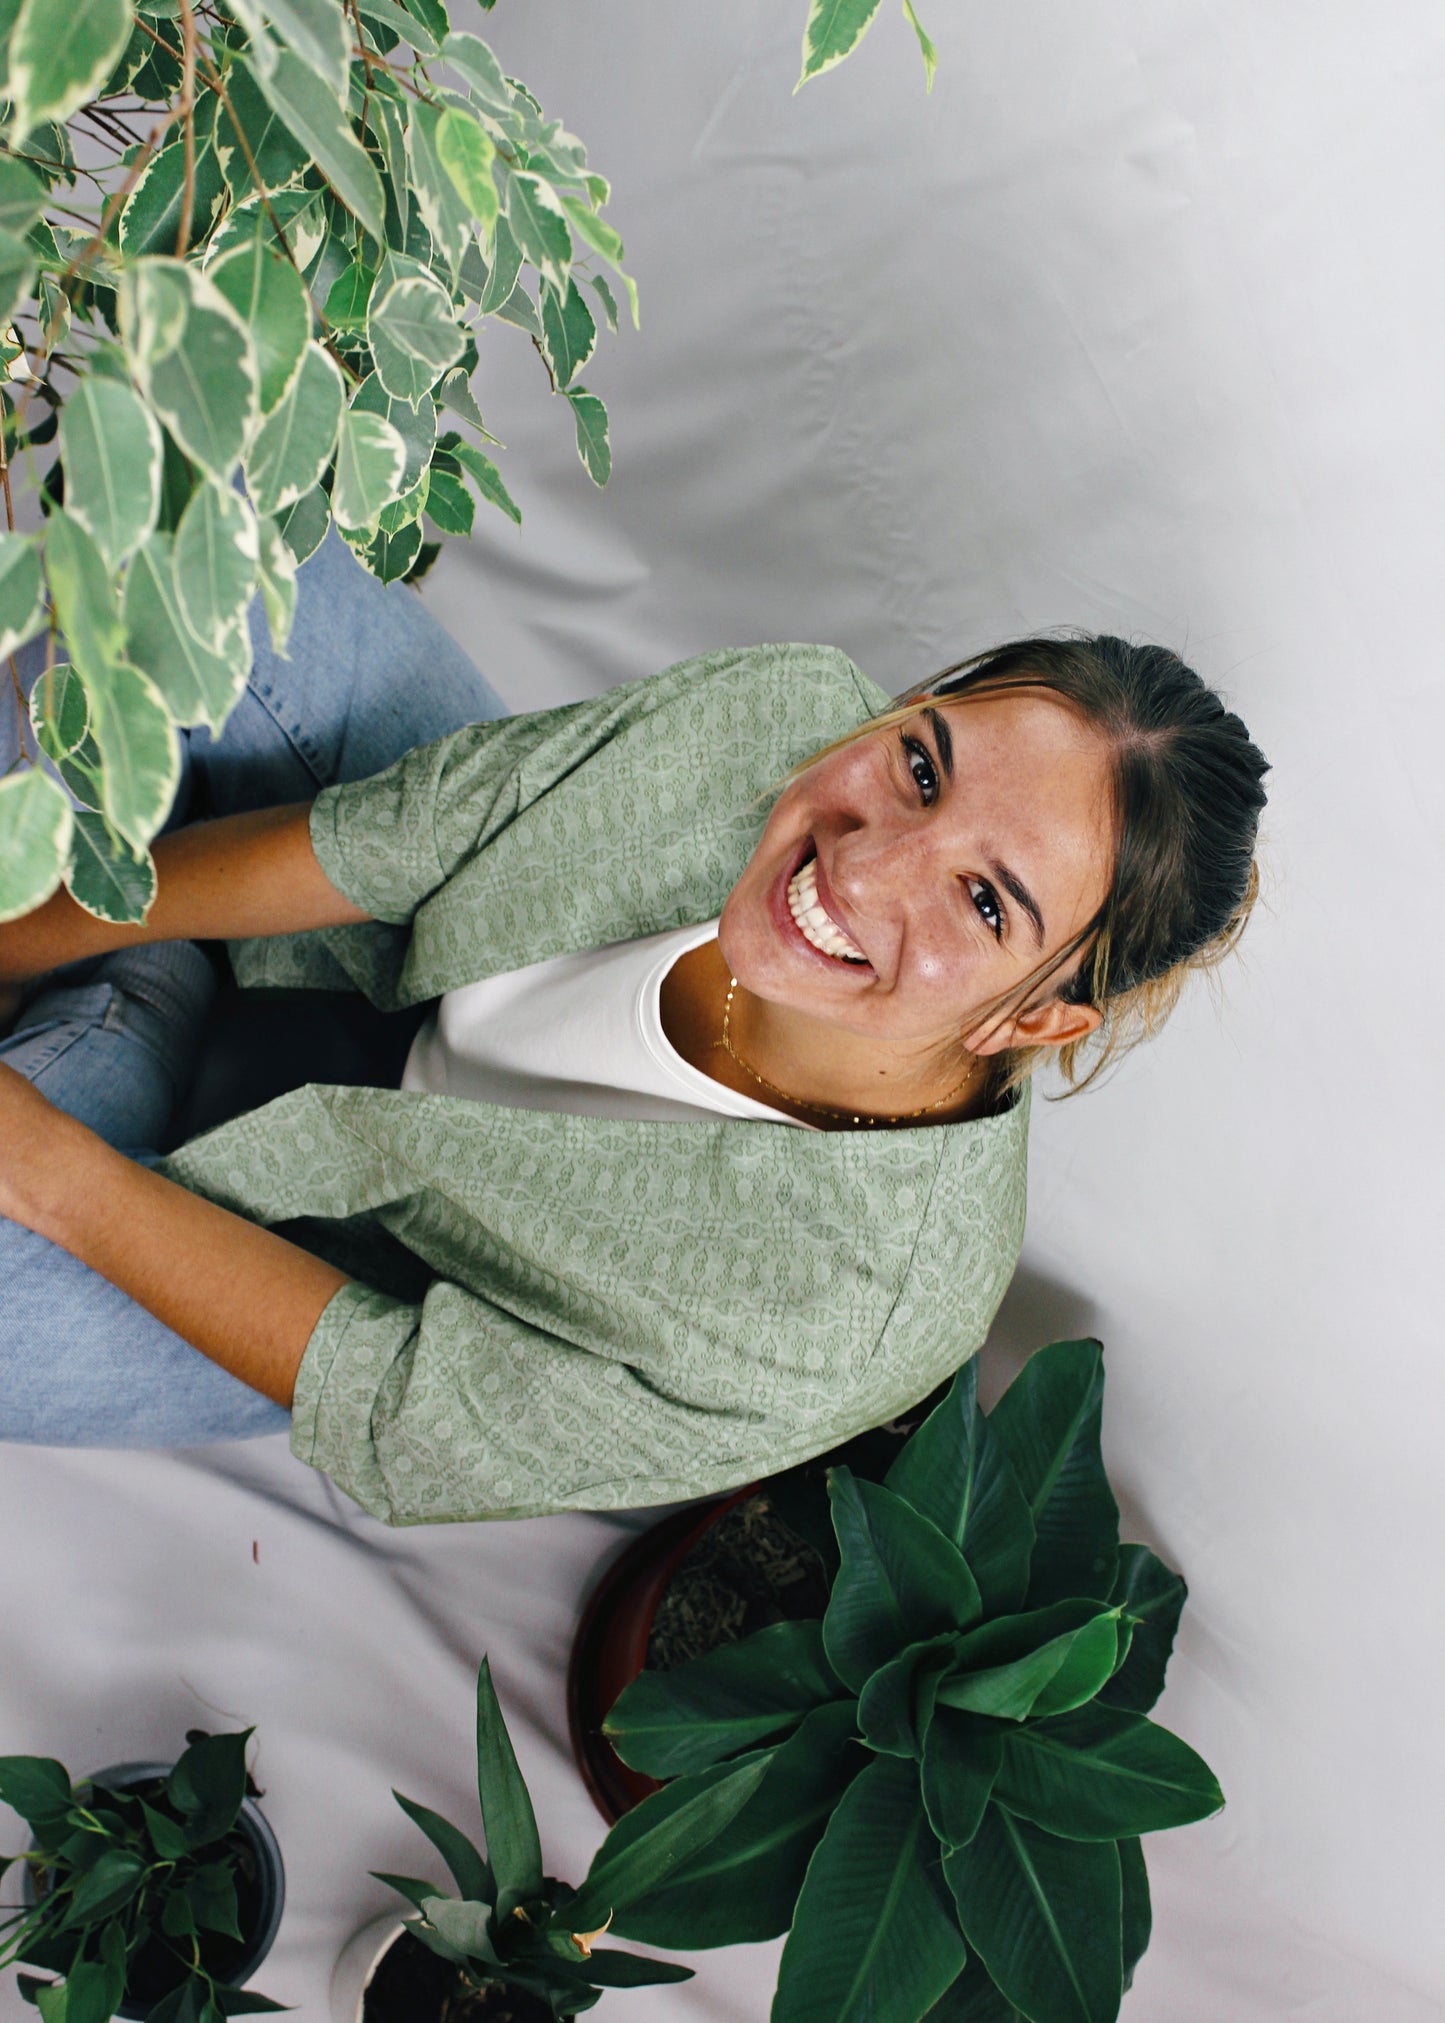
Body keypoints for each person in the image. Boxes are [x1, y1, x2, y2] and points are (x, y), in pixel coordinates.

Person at [0, 536, 1269, 1523]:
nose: (868, 865)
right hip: (395, 954)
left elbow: (401, 1405)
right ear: (906, 707)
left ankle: (124, 999)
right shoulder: (783, 716)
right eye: (921, 768)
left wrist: (60, 1177)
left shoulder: (841, 1312)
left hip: (340, 1245)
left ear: (1041, 1014)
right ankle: (117, 982)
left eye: (985, 901)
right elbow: (398, 836)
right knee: (192, 568)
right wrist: (22, 928)